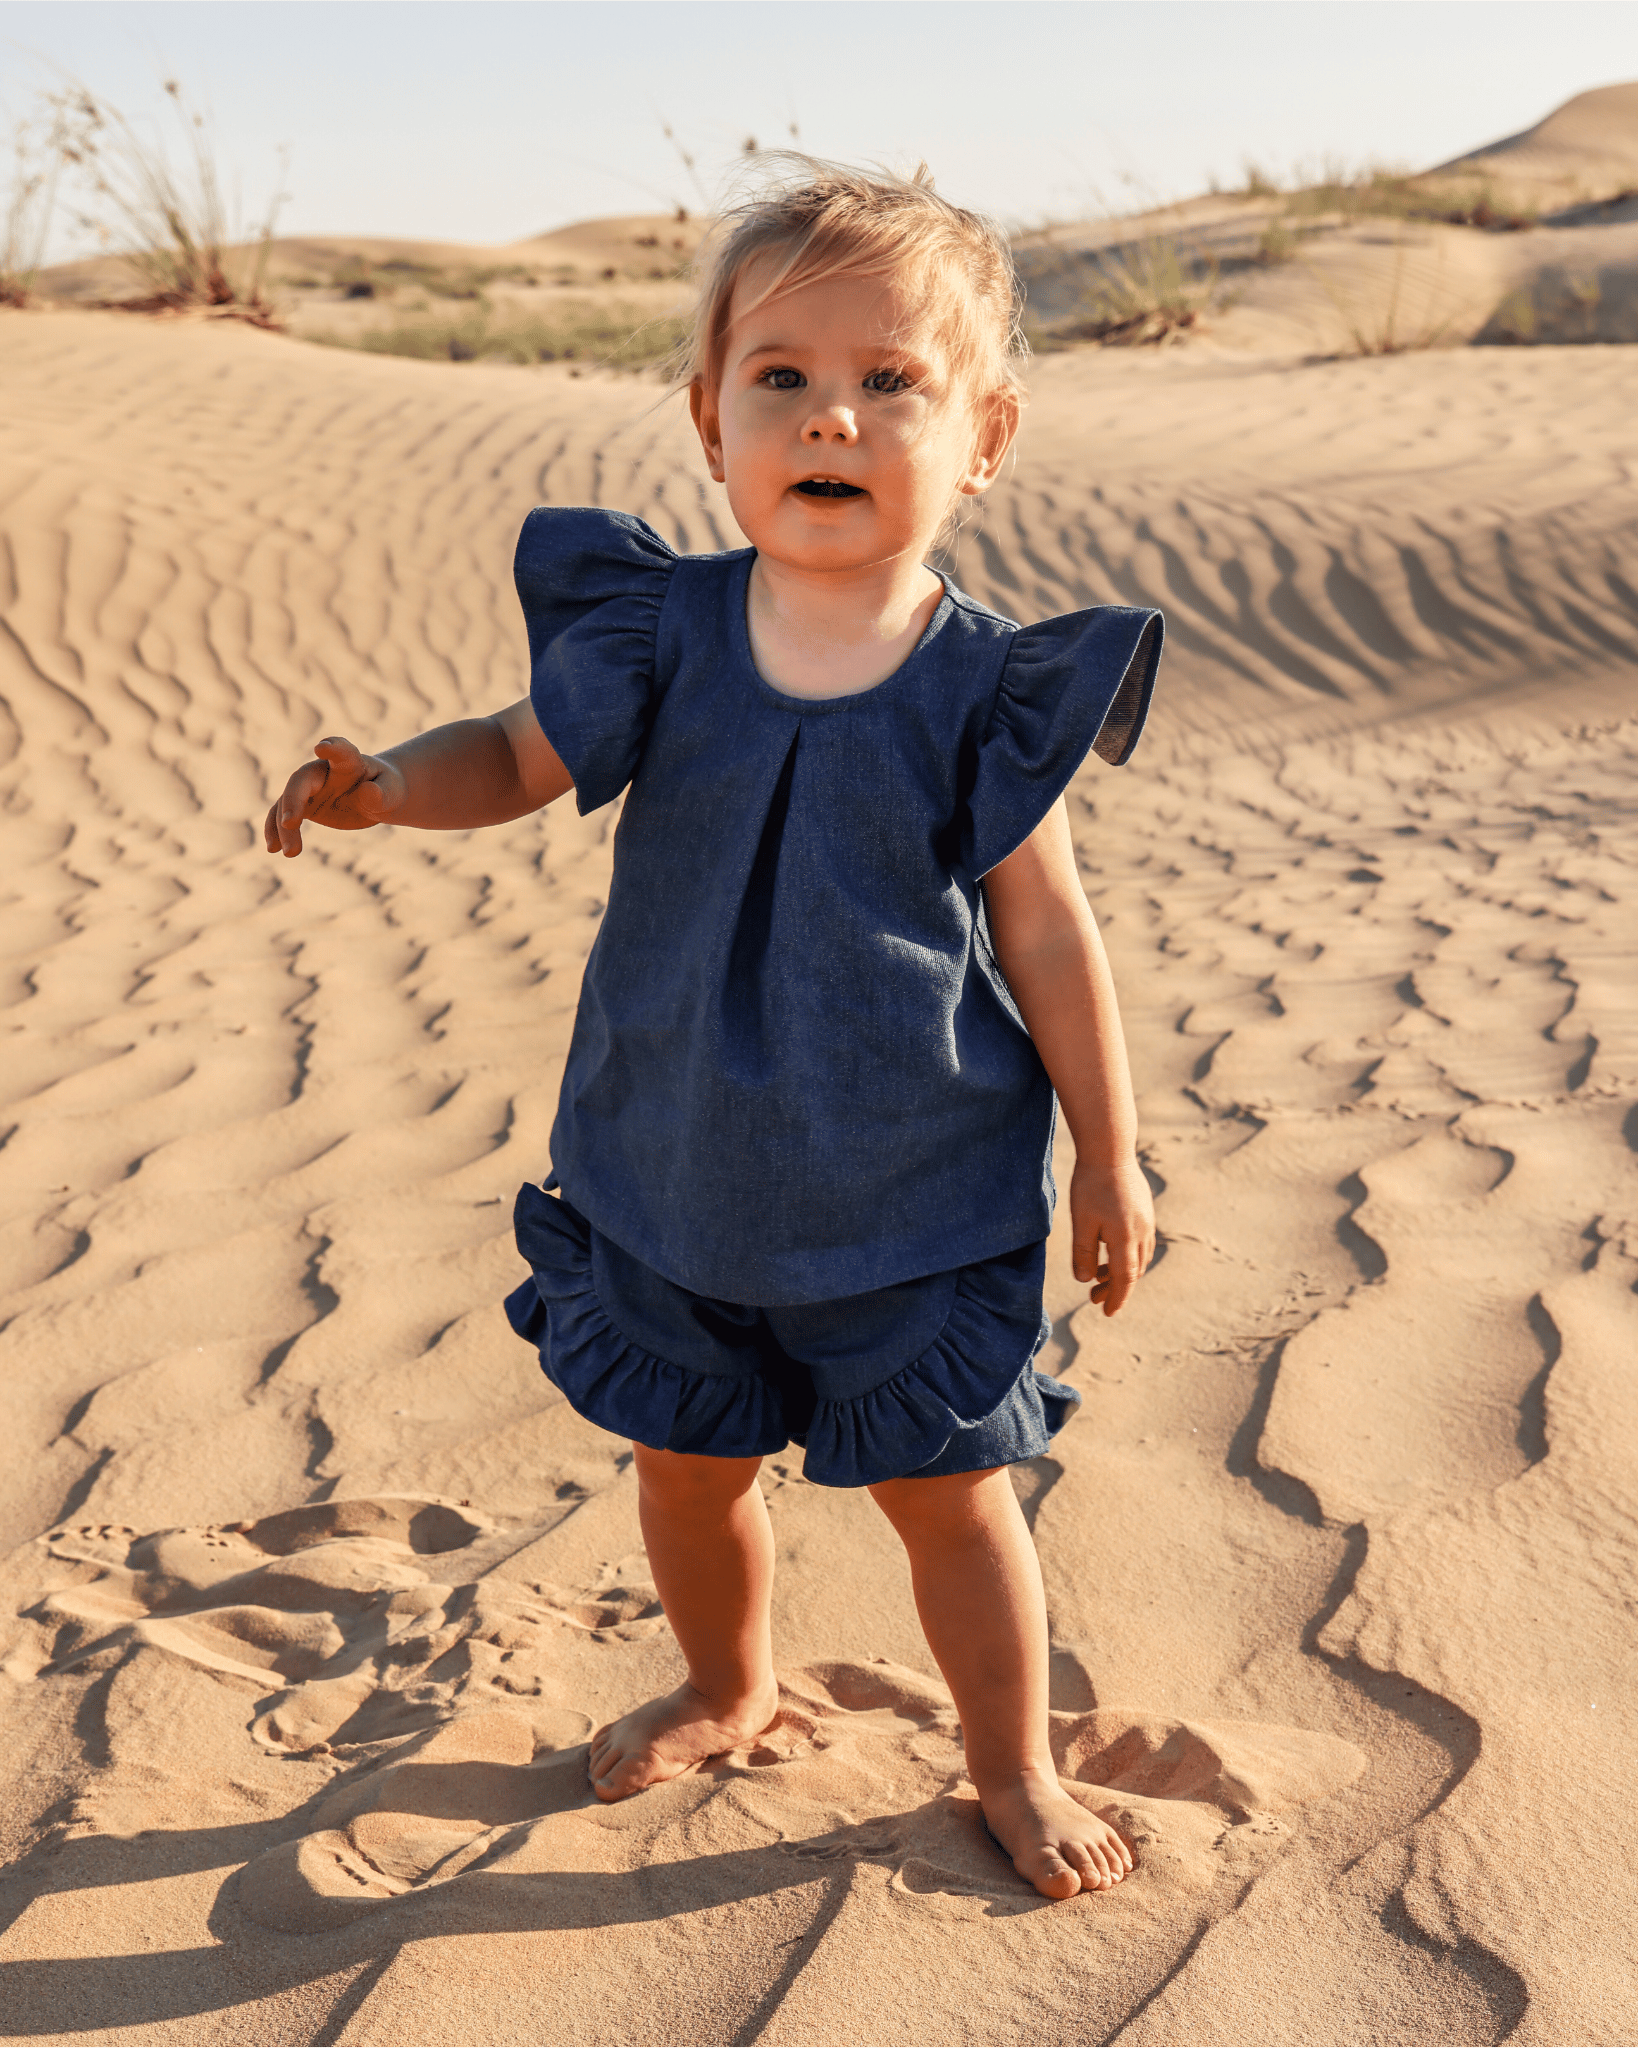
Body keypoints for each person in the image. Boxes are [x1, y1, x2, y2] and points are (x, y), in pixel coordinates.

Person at [264, 159, 1163, 1901]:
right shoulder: (662, 630)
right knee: (685, 1473)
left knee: (950, 1498)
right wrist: (388, 789)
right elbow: (513, 756)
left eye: (891, 380)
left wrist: (1110, 1155)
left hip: (910, 1188)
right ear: (709, 421)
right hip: (671, 1168)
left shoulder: (984, 685)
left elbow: (1047, 931)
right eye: (782, 376)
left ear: (982, 439)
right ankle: (730, 1681)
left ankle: (1009, 1764)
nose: (831, 412)